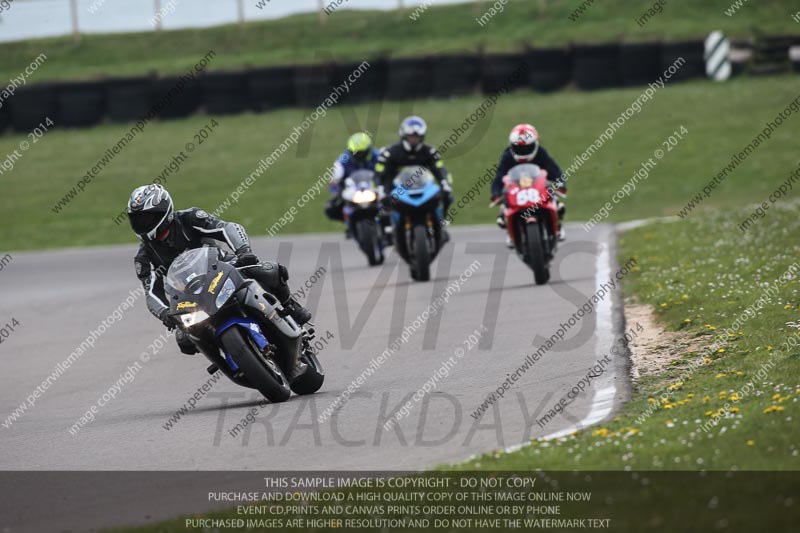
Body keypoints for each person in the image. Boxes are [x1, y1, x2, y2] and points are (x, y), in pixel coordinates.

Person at [127, 184, 312, 355]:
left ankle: (290, 306)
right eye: (137, 219)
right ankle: (227, 357)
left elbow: (227, 228)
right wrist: (164, 313)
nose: (142, 223)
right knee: (185, 341)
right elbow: (151, 292)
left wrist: (244, 251)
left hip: (223, 267)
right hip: (191, 297)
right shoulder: (144, 257)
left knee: (269, 271)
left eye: (148, 217)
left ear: (164, 211)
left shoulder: (189, 218)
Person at [490, 123, 567, 242]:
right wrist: (496, 193)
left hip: (538, 189)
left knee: (554, 199)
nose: (523, 150)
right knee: (504, 206)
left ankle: (557, 225)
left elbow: (555, 171)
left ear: (535, 144)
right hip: (517, 191)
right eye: (518, 148)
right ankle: (511, 231)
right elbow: (499, 176)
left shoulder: (541, 153)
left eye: (527, 147)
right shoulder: (507, 156)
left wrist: (560, 184)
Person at [375, 116, 454, 219]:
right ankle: (388, 227)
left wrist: (444, 183)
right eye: (411, 137)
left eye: (417, 137)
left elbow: (439, 169)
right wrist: (381, 190)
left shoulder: (430, 152)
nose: (414, 140)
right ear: (404, 136)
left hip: (422, 188)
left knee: (447, 196)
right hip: (396, 190)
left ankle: (441, 220)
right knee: (382, 205)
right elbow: (380, 174)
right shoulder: (389, 153)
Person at [324, 132, 381, 226]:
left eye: (362, 152)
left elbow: (388, 173)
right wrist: (337, 191)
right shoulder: (342, 161)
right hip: (353, 191)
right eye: (356, 153)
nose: (359, 155)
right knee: (331, 207)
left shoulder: (378, 157)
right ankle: (348, 223)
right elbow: (334, 180)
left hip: (374, 188)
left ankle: (390, 225)